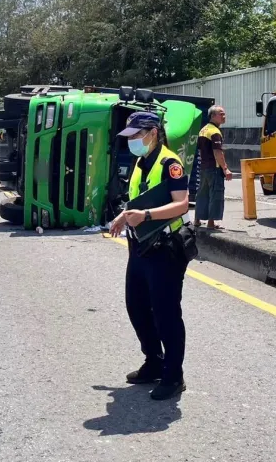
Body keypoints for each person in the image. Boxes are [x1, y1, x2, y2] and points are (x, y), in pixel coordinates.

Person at [109, 111, 191, 401]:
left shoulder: (170, 163)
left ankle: (173, 375)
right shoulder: (140, 161)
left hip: (165, 248)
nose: (132, 141)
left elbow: (181, 205)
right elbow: (140, 195)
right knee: (137, 307)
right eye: (129, 137)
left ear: (152, 133)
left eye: (136, 135)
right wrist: (124, 215)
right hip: (140, 247)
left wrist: (143, 215)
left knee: (166, 313)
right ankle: (154, 361)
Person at [194, 105, 231, 230]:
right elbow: (217, 152)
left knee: (202, 194)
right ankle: (211, 223)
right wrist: (225, 168)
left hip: (203, 167)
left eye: (224, 114)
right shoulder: (215, 132)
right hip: (214, 169)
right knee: (215, 195)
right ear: (212, 116)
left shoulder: (203, 130)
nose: (223, 116)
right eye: (221, 114)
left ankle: (197, 220)